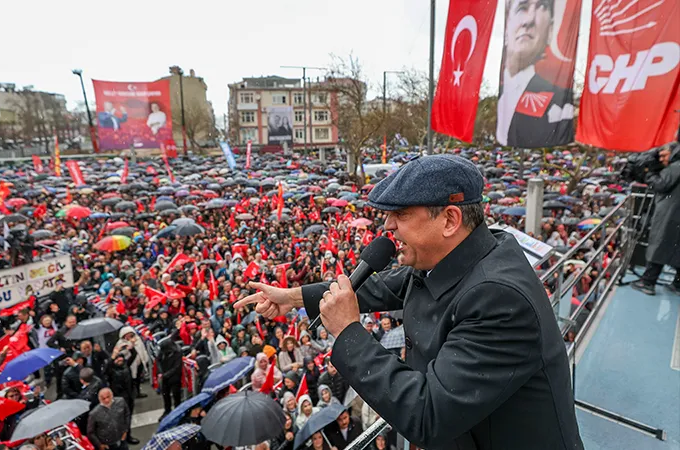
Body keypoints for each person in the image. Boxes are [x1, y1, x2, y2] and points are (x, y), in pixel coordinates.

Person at [236, 155, 583, 449]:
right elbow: (381, 288)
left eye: (401, 215)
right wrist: (292, 297)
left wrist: (348, 332)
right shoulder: (459, 256)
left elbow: (429, 415)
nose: (388, 226)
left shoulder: (498, 297)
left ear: (450, 220)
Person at [496, 0, 573, 148]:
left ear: (550, 31)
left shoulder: (561, 104)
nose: (529, 20)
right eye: (522, 8)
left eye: (541, 7)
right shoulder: (501, 98)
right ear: (506, 28)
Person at [632, 143, 680, 296]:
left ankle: (648, 282)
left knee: (659, 244)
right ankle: (678, 284)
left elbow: (660, 184)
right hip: (675, 212)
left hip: (669, 214)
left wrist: (649, 174)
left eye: (664, 155)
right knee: (675, 247)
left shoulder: (675, 167)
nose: (661, 159)